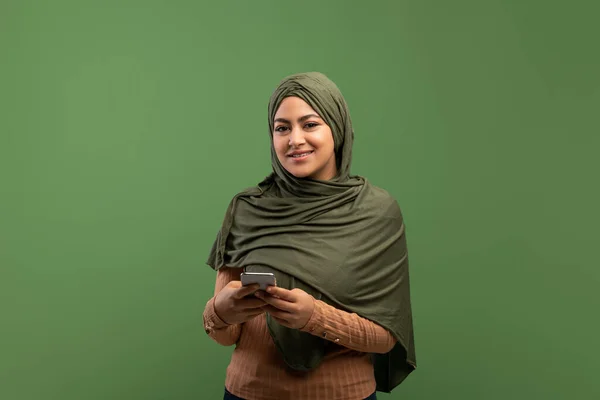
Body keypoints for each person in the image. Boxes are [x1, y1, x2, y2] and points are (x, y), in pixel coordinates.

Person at [203, 72, 416, 400]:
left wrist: (314, 317)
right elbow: (225, 335)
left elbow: (387, 336)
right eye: (282, 128)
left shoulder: (376, 212)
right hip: (247, 393)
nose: (295, 140)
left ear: (337, 127)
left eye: (310, 124)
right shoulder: (246, 208)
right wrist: (222, 311)